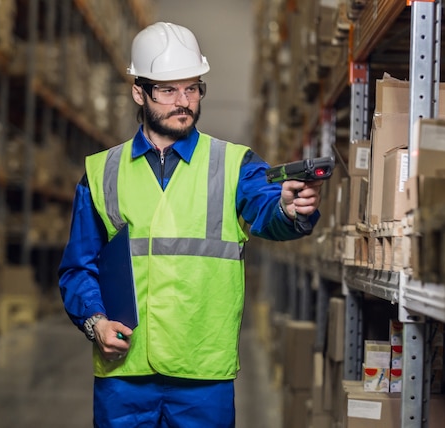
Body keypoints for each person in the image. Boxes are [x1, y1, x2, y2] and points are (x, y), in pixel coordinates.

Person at [58, 22, 324, 428]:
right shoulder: (101, 173)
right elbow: (78, 267)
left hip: (203, 377)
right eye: (167, 90)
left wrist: (290, 209)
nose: (183, 101)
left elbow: (268, 208)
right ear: (139, 92)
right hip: (124, 375)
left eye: (192, 88)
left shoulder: (233, 163)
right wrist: (95, 322)